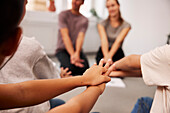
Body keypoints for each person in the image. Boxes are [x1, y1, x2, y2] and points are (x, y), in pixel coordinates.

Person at [0, 0, 113, 113]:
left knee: (60, 99)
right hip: (63, 50)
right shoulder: (32, 44)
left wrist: (83, 78)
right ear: (14, 42)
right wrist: (96, 88)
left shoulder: (84, 19)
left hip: (76, 53)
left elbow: (22, 92)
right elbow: (77, 108)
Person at [0, 36, 71, 113]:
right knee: (63, 105)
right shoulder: (29, 45)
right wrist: (79, 80)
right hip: (30, 109)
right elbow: (51, 77)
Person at [109, 45, 170, 113]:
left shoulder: (167, 53)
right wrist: (115, 73)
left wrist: (110, 67)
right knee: (145, 101)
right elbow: (149, 69)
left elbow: (130, 61)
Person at [55, 0, 89, 76]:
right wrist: (73, 55)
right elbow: (65, 36)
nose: (74, 1)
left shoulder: (84, 20)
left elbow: (80, 37)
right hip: (62, 49)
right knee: (69, 69)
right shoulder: (63, 15)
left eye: (77, 0)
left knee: (85, 69)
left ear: (82, 2)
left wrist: (77, 53)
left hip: (76, 50)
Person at [96, 0, 131, 64]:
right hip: (103, 51)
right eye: (108, 7)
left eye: (113, 5)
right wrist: (106, 57)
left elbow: (118, 42)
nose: (110, 9)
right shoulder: (101, 24)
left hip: (117, 52)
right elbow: (104, 40)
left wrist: (108, 57)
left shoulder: (126, 25)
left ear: (118, 6)